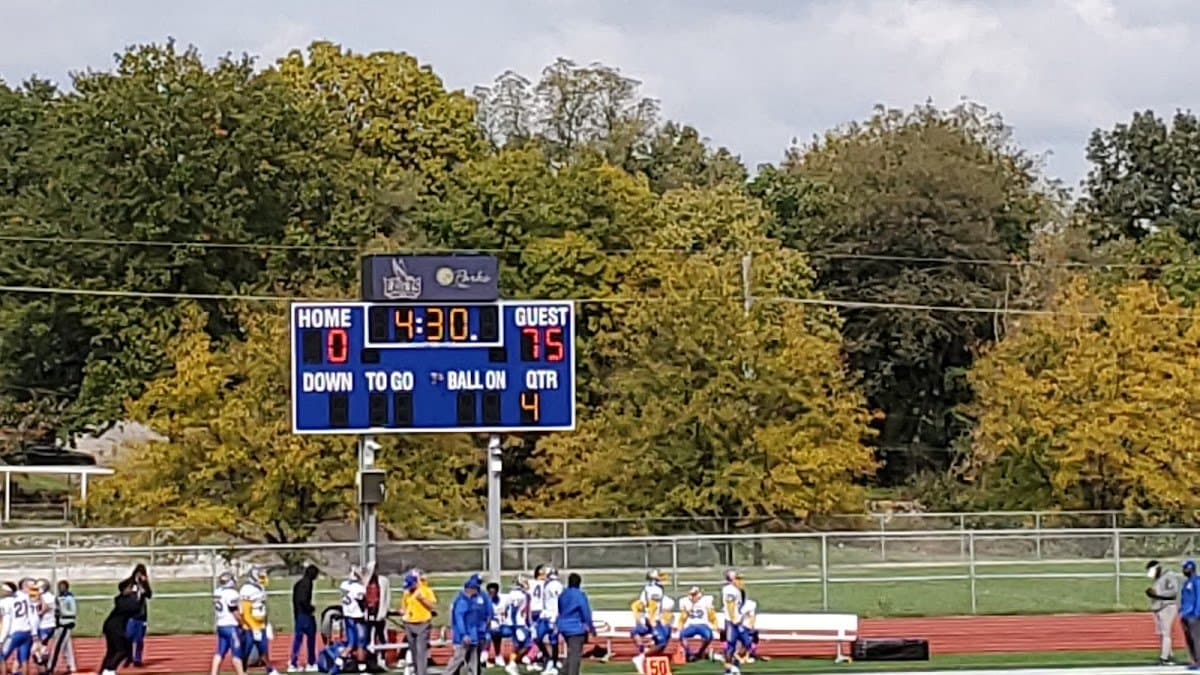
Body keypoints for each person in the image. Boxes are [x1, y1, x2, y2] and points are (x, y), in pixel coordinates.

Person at [239, 566, 280, 675]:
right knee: (246, 651)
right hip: (250, 627)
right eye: (259, 575)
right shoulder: (247, 589)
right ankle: (242, 671)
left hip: (260, 624)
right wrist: (253, 627)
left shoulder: (260, 588)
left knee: (264, 649)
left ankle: (270, 670)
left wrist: (267, 623)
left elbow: (262, 608)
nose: (262, 578)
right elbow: (245, 612)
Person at [445, 575, 489, 675]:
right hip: (464, 636)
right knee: (458, 659)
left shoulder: (475, 599)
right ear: (469, 589)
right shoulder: (462, 601)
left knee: (473, 661)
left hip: (474, 634)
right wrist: (464, 634)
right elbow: (459, 619)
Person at [555, 573, 594, 675]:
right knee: (575, 655)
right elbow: (585, 612)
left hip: (563, 626)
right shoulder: (579, 595)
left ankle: (563, 672)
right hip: (576, 628)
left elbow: (560, 608)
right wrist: (590, 627)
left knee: (571, 652)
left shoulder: (563, 594)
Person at [399, 568, 437, 675]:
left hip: (423, 623)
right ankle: (416, 671)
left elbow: (432, 606)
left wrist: (422, 599)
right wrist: (403, 611)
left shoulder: (425, 590)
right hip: (409, 623)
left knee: (421, 650)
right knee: (413, 650)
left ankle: (421, 672)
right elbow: (404, 606)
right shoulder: (407, 593)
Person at [630, 570, 667, 675]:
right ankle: (641, 657)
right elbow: (648, 605)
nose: (661, 577)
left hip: (656, 619)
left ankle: (645, 656)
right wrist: (650, 619)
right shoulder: (651, 590)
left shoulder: (655, 588)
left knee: (663, 638)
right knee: (662, 642)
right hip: (652, 619)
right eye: (658, 576)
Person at [100, 582, 141, 675]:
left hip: (112, 626)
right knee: (122, 650)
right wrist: (137, 596)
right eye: (129, 588)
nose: (131, 590)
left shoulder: (122, 599)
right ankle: (109, 670)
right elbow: (135, 608)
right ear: (124, 590)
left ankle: (104, 671)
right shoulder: (122, 600)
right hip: (114, 627)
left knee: (111, 651)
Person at [211, 571, 246, 675]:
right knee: (236, 653)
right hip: (230, 626)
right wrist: (242, 623)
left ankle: (213, 673)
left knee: (220, 651)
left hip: (220, 624)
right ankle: (241, 673)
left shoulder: (218, 591)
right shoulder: (231, 593)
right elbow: (234, 611)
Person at [1147, 560, 1182, 666]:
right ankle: (1169, 655)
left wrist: (1157, 594)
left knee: (1166, 632)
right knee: (1162, 633)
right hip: (1159, 607)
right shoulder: (1158, 578)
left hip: (1168, 606)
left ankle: (1164, 658)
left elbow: (1174, 591)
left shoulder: (1169, 575)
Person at [497, 575, 532, 675]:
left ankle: (512, 663)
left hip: (512, 623)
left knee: (519, 645)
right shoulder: (522, 595)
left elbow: (504, 609)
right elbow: (517, 610)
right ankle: (512, 663)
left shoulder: (509, 595)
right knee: (527, 644)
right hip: (518, 623)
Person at [118, 564, 152, 667]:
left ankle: (137, 659)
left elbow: (149, 595)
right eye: (138, 573)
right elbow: (120, 587)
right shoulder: (130, 583)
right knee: (128, 636)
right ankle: (128, 657)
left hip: (141, 615)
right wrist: (132, 580)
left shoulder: (144, 584)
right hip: (131, 615)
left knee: (139, 639)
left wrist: (144, 584)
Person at [290, 565, 319, 673]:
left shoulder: (299, 583)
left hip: (298, 614)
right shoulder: (307, 584)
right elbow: (302, 600)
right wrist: (310, 608)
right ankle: (311, 662)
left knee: (298, 639)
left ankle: (293, 662)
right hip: (304, 615)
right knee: (310, 638)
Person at [676, 586, 717, 663]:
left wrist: (714, 624)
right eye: (692, 594)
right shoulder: (686, 601)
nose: (693, 596)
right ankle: (689, 654)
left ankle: (700, 652)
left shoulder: (705, 600)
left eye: (695, 594)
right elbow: (683, 616)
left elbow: (711, 613)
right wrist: (680, 625)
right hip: (691, 625)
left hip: (703, 624)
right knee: (682, 635)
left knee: (709, 636)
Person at [338, 566, 368, 669]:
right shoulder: (359, 588)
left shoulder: (344, 584)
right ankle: (362, 669)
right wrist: (363, 579)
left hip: (347, 616)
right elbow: (362, 600)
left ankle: (338, 663)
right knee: (361, 645)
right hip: (357, 617)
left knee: (350, 644)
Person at [538, 568, 564, 674]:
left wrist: (556, 615)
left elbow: (558, 599)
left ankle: (552, 663)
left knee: (552, 640)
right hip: (546, 614)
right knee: (539, 637)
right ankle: (551, 660)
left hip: (553, 615)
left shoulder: (555, 585)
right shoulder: (548, 584)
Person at [50, 579, 78, 675]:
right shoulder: (59, 597)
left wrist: (62, 611)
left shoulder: (69, 598)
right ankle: (72, 666)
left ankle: (51, 667)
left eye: (62, 586)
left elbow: (73, 611)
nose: (60, 588)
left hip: (65, 624)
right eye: (59, 586)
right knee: (67, 647)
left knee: (58, 647)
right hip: (59, 624)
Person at [720, 570, 745, 675]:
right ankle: (728, 669)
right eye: (738, 579)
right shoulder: (730, 590)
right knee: (731, 644)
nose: (741, 581)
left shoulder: (737, 590)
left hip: (737, 620)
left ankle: (734, 665)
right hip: (731, 621)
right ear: (732, 580)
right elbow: (730, 605)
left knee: (743, 642)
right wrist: (733, 618)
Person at [481, 582, 504, 669]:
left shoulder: (501, 600)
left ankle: (498, 655)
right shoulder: (484, 601)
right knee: (487, 637)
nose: (492, 594)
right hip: (485, 624)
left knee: (497, 632)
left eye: (493, 592)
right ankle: (484, 657)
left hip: (498, 623)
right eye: (490, 592)